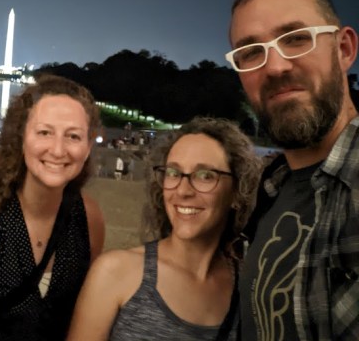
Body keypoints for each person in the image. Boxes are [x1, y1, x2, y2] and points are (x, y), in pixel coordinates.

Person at [225, 0, 359, 340]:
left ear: (344, 49)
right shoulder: (266, 189)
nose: (275, 67)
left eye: (296, 39)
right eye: (251, 51)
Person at [0, 74, 105, 341]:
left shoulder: (89, 218)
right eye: (44, 132)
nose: (58, 149)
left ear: (87, 148)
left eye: (73, 136)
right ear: (20, 138)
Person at [67, 117, 260, 341]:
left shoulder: (252, 288)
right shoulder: (115, 273)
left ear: (238, 192)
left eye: (205, 176)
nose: (183, 191)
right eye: (173, 173)